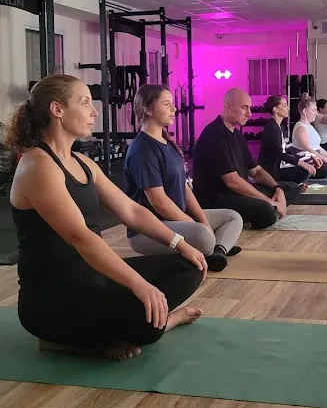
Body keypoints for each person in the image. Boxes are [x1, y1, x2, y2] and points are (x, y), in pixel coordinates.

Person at [5, 75, 207, 361]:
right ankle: (160, 322)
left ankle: (118, 329)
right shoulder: (38, 166)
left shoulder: (83, 162)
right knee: (146, 324)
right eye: (85, 103)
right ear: (57, 110)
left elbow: (131, 211)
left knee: (188, 267)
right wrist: (138, 284)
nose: (94, 112)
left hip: (92, 278)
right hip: (53, 298)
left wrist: (180, 243)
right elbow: (80, 237)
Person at [124, 84, 243, 272]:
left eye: (172, 103)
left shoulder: (166, 143)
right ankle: (214, 246)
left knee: (233, 217)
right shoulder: (143, 150)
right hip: (150, 230)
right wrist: (196, 225)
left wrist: (202, 220)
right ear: (148, 109)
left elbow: (184, 188)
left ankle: (217, 252)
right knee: (204, 235)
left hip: (177, 220)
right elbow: (159, 202)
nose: (174, 109)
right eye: (166, 104)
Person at [192, 88, 289, 230]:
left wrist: (277, 189)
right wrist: (270, 202)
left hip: (235, 193)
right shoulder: (214, 135)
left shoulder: (238, 136)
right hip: (217, 198)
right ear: (229, 106)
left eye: (249, 108)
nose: (249, 114)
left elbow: (256, 171)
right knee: (267, 211)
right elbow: (232, 182)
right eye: (244, 108)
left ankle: (262, 210)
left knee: (287, 190)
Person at [258, 95, 317, 185]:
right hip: (271, 169)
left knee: (308, 164)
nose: (288, 108)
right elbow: (279, 153)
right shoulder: (270, 128)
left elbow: (289, 147)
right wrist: (301, 163)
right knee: (304, 171)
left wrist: (308, 155)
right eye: (284, 105)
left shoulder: (281, 127)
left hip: (281, 165)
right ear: (275, 109)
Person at [291, 95, 327, 177]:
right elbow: (308, 149)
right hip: (307, 159)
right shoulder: (301, 128)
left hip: (315, 156)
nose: (316, 113)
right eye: (314, 110)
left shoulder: (309, 126)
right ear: (305, 111)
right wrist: (326, 160)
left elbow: (317, 147)